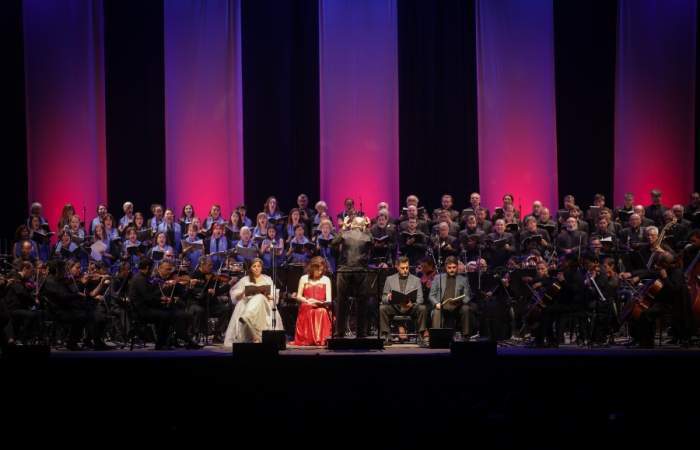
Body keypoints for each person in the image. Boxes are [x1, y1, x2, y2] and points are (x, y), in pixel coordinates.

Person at [224, 258, 283, 345]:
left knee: (259, 297)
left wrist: (268, 295)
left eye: (259, 266)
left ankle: (247, 317)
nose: (256, 268)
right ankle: (255, 335)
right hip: (248, 302)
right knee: (256, 298)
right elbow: (235, 297)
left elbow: (274, 296)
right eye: (254, 266)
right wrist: (244, 292)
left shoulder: (267, 279)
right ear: (250, 268)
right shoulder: (245, 279)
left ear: (261, 268)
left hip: (264, 303)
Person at [331, 216, 373, 338]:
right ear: (363, 225)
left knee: (341, 302)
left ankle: (339, 333)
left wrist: (344, 227)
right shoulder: (367, 235)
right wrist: (368, 228)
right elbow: (373, 244)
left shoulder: (345, 233)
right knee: (361, 302)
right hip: (360, 272)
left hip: (344, 271)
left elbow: (333, 243)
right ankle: (361, 333)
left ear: (352, 224)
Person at [379, 256, 428, 346]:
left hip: (410, 307)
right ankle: (386, 336)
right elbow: (383, 297)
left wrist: (412, 304)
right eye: (402, 268)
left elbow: (420, 299)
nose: (405, 270)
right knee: (382, 308)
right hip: (396, 307)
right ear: (397, 267)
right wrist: (388, 298)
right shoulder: (389, 279)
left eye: (407, 267)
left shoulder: (416, 280)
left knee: (422, 308)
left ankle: (421, 336)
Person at [291, 256, 332, 346]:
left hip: (320, 305)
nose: (319, 272)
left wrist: (321, 303)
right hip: (307, 304)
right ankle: (307, 339)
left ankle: (321, 339)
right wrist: (307, 300)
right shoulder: (304, 278)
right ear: (312, 268)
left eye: (321, 270)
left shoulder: (326, 279)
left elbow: (329, 299)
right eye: (317, 270)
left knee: (322, 311)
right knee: (308, 309)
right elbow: (298, 296)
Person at [429, 256, 472, 335]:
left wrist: (462, 301)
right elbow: (431, 295)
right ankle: (436, 338)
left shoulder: (463, 279)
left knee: (466, 308)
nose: (452, 270)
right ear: (445, 267)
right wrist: (436, 303)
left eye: (454, 267)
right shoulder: (438, 278)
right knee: (436, 311)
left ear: (457, 267)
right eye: (449, 267)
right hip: (442, 306)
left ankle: (466, 335)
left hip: (457, 307)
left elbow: (468, 296)